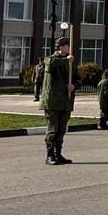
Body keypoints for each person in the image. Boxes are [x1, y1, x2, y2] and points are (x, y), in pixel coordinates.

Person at [40, 37, 75, 165]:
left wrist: (73, 85)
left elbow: (75, 77)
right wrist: (66, 59)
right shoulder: (51, 59)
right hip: (53, 101)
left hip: (65, 101)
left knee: (61, 130)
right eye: (67, 46)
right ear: (61, 47)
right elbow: (51, 65)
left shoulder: (69, 62)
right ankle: (49, 155)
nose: (69, 48)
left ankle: (58, 154)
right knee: (52, 129)